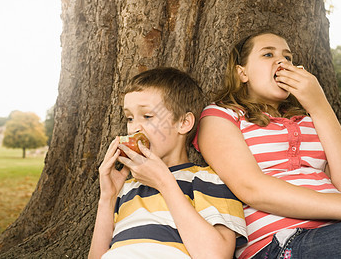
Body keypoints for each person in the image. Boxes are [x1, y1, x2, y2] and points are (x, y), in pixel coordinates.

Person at [193, 31, 341, 258]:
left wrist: (319, 106)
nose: (282, 62)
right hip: (282, 243)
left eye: (288, 58)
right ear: (242, 73)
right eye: (268, 54)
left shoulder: (311, 120)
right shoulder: (221, 115)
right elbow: (253, 190)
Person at [88, 67, 247, 259]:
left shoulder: (208, 179)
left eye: (147, 116)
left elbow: (215, 255)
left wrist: (165, 183)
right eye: (129, 118)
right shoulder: (126, 189)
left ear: (183, 123)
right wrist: (108, 197)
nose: (134, 128)